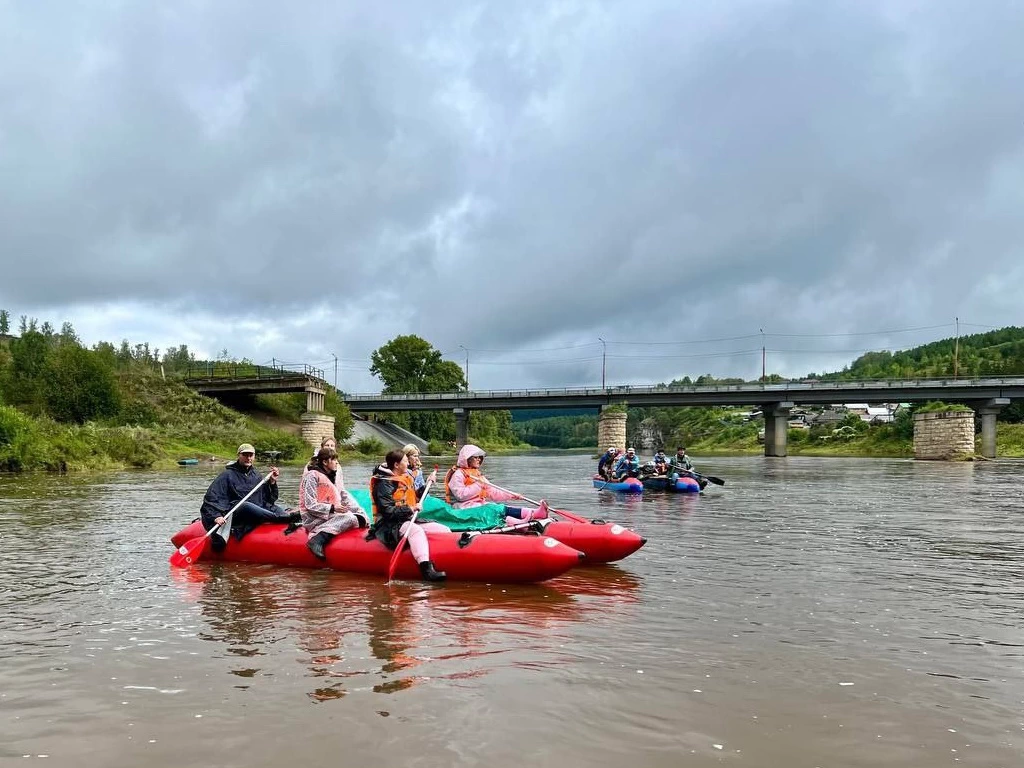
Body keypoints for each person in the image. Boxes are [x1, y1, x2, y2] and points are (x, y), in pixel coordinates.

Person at [368, 449, 449, 582]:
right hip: (389, 525)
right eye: (405, 461)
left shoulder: (405, 478)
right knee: (416, 531)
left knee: (442, 529)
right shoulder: (384, 484)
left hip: (407, 519)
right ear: (396, 465)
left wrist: (426, 485)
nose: (408, 463)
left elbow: (415, 497)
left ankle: (444, 560)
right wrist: (410, 509)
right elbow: (387, 511)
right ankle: (426, 569)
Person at [200, 443, 299, 551]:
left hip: (258, 509)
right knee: (246, 506)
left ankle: (286, 517)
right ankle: (286, 518)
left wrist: (272, 482)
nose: (248, 458)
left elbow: (269, 499)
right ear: (239, 455)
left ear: (254, 456)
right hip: (238, 512)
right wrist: (216, 516)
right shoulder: (227, 475)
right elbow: (212, 498)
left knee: (274, 507)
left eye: (251, 455)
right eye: (245, 455)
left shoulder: (256, 475)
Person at [445, 444, 549, 524]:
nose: (479, 459)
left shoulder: (477, 475)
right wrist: (478, 485)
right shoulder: (458, 474)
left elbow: (493, 492)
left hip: (477, 505)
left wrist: (512, 495)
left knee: (499, 507)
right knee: (494, 509)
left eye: (479, 457)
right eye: (475, 457)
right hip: (462, 508)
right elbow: (460, 496)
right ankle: (517, 521)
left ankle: (536, 513)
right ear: (467, 458)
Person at [299, 447, 369, 560]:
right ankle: (317, 539)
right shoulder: (312, 476)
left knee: (361, 518)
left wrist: (359, 511)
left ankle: (327, 532)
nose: (336, 462)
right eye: (334, 459)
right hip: (313, 516)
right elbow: (310, 504)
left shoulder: (332, 476)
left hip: (329, 514)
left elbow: (343, 495)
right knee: (349, 518)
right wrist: (333, 508)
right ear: (325, 462)